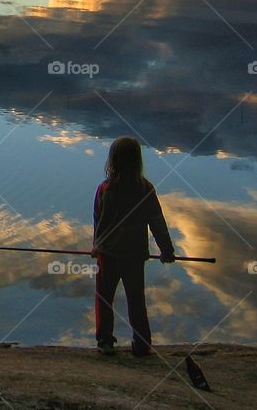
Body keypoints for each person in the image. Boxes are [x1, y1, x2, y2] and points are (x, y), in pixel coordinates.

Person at [91, 137, 175, 357]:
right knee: (136, 300)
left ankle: (105, 341)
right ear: (137, 160)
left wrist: (96, 246)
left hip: (107, 255)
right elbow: (157, 222)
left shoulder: (105, 189)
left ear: (113, 160)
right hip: (135, 256)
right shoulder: (145, 189)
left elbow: (98, 221)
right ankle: (141, 342)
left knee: (104, 298)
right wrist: (166, 250)